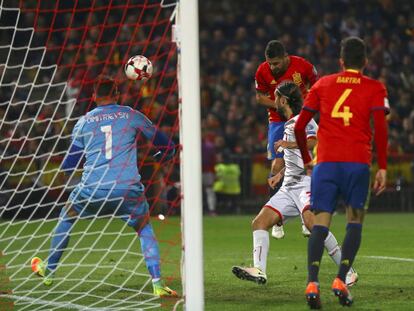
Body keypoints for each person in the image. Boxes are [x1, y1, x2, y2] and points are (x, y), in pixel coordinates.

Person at [31, 76, 178, 297]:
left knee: (67, 217)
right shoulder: (131, 115)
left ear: (93, 96)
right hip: (127, 189)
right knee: (144, 229)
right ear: (117, 93)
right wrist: (161, 157)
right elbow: (168, 146)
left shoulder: (83, 122)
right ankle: (157, 283)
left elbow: (69, 164)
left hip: (92, 189)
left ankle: (49, 270)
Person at [232, 81, 358, 286]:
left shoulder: (303, 120)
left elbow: (313, 141)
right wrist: (280, 174)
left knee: (313, 224)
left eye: (276, 97)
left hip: (306, 183)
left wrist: (287, 143)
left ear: (283, 100)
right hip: (288, 186)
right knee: (259, 222)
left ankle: (348, 270)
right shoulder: (290, 123)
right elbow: (297, 156)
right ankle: (259, 270)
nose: (273, 101)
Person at [294, 37, 388, 309]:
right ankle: (340, 279)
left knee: (320, 225)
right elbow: (381, 130)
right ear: (366, 62)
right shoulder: (375, 87)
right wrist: (382, 166)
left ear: (341, 61)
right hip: (357, 165)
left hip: (326, 165)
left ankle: (312, 282)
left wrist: (306, 158)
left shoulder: (323, 84)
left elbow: (300, 126)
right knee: (354, 222)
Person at [255, 40, 318, 239]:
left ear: (285, 57)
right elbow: (260, 98)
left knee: (305, 160)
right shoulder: (262, 71)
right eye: (269, 63)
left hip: (302, 116)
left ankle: (305, 216)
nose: (272, 67)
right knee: (278, 164)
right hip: (277, 120)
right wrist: (282, 105)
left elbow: (316, 86)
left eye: (276, 63)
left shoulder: (303, 66)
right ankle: (278, 220)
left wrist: (301, 106)